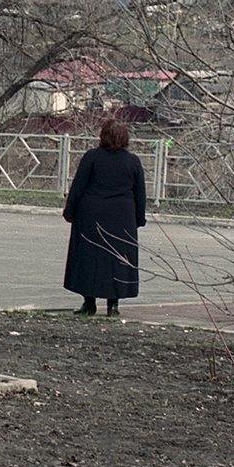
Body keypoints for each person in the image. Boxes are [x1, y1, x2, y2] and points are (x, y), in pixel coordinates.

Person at [62, 118, 145, 318]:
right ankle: (113, 306)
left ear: (103, 136)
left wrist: (69, 211)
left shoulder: (92, 157)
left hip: (91, 215)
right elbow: (140, 193)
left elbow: (78, 186)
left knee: (89, 258)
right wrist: (139, 218)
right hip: (122, 218)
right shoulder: (132, 161)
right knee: (117, 260)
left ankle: (89, 304)